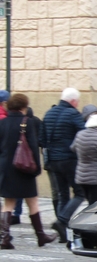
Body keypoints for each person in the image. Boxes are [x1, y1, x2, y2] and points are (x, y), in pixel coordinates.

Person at [0, 94, 57, 249]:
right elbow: (32, 147)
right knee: (32, 201)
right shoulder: (27, 123)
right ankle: (41, 236)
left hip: (6, 168)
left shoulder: (2, 123)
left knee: (8, 203)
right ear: (24, 107)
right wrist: (37, 168)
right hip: (24, 167)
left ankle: (4, 238)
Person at [40, 88, 86, 243]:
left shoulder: (49, 113)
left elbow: (42, 139)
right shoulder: (74, 114)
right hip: (69, 159)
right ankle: (62, 221)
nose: (77, 104)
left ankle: (62, 234)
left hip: (53, 160)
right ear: (73, 101)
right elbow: (83, 135)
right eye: (77, 102)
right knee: (80, 192)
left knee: (62, 194)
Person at [11, 107, 42, 225]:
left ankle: (16, 214)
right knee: (31, 197)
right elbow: (39, 142)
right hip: (30, 162)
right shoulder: (35, 121)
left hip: (18, 159)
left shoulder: (20, 122)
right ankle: (39, 232)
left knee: (16, 192)